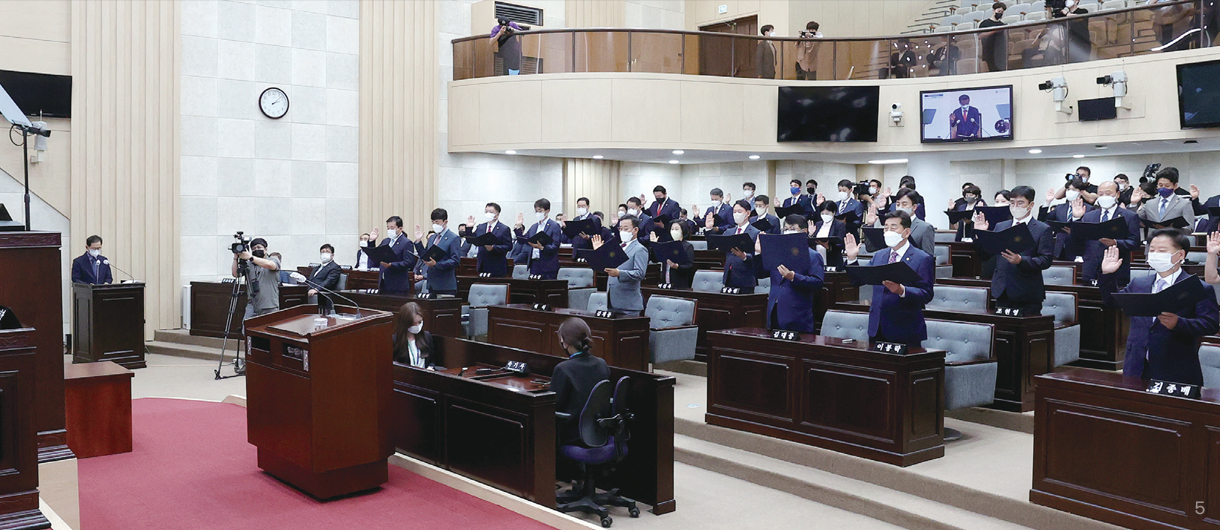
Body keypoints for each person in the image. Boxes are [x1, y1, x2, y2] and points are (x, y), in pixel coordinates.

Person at [1100, 232, 1219, 386]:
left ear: (1180, 254)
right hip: (1137, 365)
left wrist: (1179, 323)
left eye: (1162, 251)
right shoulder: (1139, 284)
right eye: (1152, 250)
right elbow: (1112, 302)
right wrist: (1108, 274)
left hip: (1175, 367)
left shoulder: (1196, 288)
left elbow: (1210, 325)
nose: (1155, 254)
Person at [844, 211, 936, 346]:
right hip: (878, 327)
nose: (888, 231)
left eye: (893, 227)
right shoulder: (879, 255)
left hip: (905, 329)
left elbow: (926, 294)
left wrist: (902, 291)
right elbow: (858, 280)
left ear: (906, 232)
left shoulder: (922, 258)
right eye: (886, 228)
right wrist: (852, 259)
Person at [972, 186, 1055, 315]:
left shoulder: (1042, 229)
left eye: (1020, 203)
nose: (1015, 206)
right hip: (1001, 290)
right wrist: (980, 235)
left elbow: (1045, 260)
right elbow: (986, 256)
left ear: (1030, 205)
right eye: (1012, 203)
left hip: (1026, 293)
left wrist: (1021, 260)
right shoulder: (1001, 226)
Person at [754, 214, 825, 333]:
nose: (788, 232)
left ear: (804, 231)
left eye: (792, 229)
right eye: (785, 229)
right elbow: (760, 274)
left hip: (797, 315)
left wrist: (794, 277)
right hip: (775, 311)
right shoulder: (776, 253)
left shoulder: (812, 255)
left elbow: (817, 283)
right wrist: (758, 253)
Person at [551, 318, 611, 444]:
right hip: (599, 432)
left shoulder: (563, 369)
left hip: (573, 436)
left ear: (565, 342)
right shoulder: (602, 364)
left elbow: (553, 408)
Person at [1075, 181, 1142, 287]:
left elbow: (1134, 242)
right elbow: (1079, 241)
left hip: (1117, 271)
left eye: (1108, 193)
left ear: (1117, 194)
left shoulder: (1129, 216)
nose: (1104, 197)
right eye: (1101, 194)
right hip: (1091, 269)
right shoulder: (1089, 216)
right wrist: (1076, 219)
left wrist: (1115, 243)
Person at [593, 216, 648, 316]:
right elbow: (606, 267)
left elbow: (640, 273)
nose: (622, 231)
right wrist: (599, 252)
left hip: (628, 303)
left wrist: (619, 273)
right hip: (612, 301)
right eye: (620, 228)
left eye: (626, 229)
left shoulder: (640, 249)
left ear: (635, 230)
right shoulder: (617, 247)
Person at [864, 189, 936, 258]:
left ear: (914, 207)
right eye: (898, 204)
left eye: (904, 204)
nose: (900, 207)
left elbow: (928, 256)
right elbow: (870, 248)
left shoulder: (924, 228)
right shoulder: (889, 226)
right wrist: (870, 224)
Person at [1133, 166, 1196, 237]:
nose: (1163, 188)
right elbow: (1134, 220)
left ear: (1175, 186)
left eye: (1167, 186)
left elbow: (1189, 228)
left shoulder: (1184, 203)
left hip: (1173, 242)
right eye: (1160, 185)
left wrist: (1170, 229)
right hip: (1153, 241)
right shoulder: (1150, 203)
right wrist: (1133, 204)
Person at [412, 209, 462, 296]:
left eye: (437, 222)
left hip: (445, 284)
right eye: (433, 222)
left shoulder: (453, 238)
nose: (435, 225)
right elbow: (425, 256)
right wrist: (418, 241)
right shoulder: (432, 238)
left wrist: (437, 264)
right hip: (432, 283)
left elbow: (455, 260)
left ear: (445, 222)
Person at [1044, 179, 1094, 260]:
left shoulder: (1089, 209)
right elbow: (1044, 221)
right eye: (1068, 189)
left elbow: (1089, 231)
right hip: (1060, 249)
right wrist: (1047, 203)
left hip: (1079, 250)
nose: (1070, 192)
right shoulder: (1060, 208)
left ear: (1080, 192)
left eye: (1073, 190)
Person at [232, 237, 281, 319]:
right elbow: (235, 274)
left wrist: (251, 257)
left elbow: (270, 265)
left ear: (265, 249)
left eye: (259, 247)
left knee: (268, 330)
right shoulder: (249, 264)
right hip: (253, 304)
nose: (256, 250)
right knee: (247, 327)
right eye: (253, 248)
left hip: (269, 305)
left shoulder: (273, 259)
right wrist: (236, 258)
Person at [516, 198, 562, 279]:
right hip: (534, 263)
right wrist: (519, 227)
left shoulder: (554, 226)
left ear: (547, 211)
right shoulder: (534, 226)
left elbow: (555, 246)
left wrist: (542, 247)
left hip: (548, 265)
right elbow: (522, 240)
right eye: (536, 211)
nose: (537, 213)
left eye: (540, 211)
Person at [721, 200, 760, 293]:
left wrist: (744, 256)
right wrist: (709, 229)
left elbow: (758, 259)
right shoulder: (729, 231)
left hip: (746, 279)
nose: (736, 214)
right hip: (729, 276)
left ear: (748, 213)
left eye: (739, 211)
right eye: (734, 212)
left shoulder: (755, 233)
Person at [469, 202, 513, 277]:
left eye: (491, 212)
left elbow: (508, 246)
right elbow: (471, 240)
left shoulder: (504, 229)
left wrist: (493, 248)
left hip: (497, 266)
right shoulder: (481, 227)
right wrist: (469, 229)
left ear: (497, 214)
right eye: (486, 212)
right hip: (482, 265)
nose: (488, 214)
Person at [378, 216, 417, 295]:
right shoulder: (385, 241)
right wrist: (371, 241)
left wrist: (391, 265)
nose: (389, 230)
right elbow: (376, 255)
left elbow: (409, 262)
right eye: (388, 228)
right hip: (383, 283)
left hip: (398, 285)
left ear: (400, 228)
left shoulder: (406, 242)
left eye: (392, 228)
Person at [392, 302, 434, 368]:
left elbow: (432, 361)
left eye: (419, 322)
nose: (417, 326)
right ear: (405, 323)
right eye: (414, 323)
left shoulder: (427, 336)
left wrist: (431, 368)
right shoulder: (395, 340)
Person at [656, 220, 696, 289]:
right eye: (672, 229)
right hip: (666, 281)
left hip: (679, 282)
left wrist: (677, 266)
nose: (674, 231)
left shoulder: (687, 246)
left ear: (683, 230)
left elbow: (689, 266)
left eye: (676, 229)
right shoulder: (667, 244)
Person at [305, 244, 342, 313]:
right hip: (309, 291)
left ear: (332, 255)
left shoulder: (335, 267)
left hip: (322, 295)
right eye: (322, 252)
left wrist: (316, 289)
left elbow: (329, 281)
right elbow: (311, 281)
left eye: (327, 252)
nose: (324, 254)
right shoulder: (317, 268)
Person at [979, 2, 1009, 72]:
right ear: (994, 10)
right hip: (988, 51)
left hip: (999, 52)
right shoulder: (985, 23)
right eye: (998, 11)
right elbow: (980, 36)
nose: (1000, 13)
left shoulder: (1001, 24)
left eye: (1001, 12)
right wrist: (994, 31)